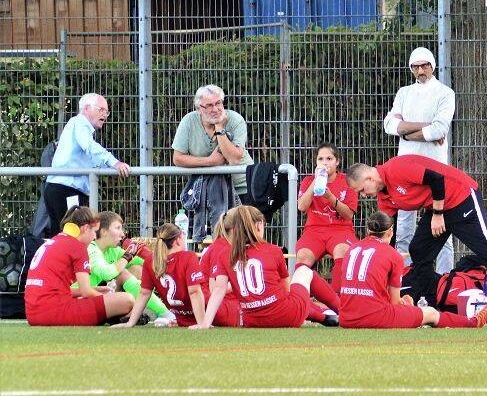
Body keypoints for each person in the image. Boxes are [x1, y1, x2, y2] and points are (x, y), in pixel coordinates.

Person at [346, 155, 487, 278]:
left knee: (484, 249)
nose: (363, 196)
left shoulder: (396, 168)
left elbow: (436, 178)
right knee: (419, 250)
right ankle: (431, 295)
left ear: (369, 179)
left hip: (461, 197)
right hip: (437, 207)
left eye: (361, 190)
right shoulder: (383, 198)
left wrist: (438, 214)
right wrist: (388, 256)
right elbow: (389, 231)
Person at [336, 212, 487, 328]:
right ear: (391, 232)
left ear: (367, 231)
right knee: (431, 313)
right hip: (374, 318)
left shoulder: (351, 249)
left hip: (346, 318)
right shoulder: (393, 255)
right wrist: (405, 304)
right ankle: (472, 322)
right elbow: (394, 303)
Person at [196, 206, 339, 329]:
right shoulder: (273, 250)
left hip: (252, 321)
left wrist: (205, 323)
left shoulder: (224, 254)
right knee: (304, 271)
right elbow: (286, 290)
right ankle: (342, 310)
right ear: (258, 226)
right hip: (285, 315)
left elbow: (218, 290)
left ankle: (324, 316)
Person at [383, 47, 456, 273]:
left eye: (425, 65)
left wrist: (405, 131)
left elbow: (439, 129)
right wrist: (425, 126)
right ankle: (405, 278)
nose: (420, 70)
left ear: (432, 66)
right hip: (406, 170)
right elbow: (389, 125)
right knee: (404, 227)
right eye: (415, 67)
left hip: (435, 169)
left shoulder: (445, 93)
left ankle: (444, 279)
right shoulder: (404, 93)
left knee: (442, 226)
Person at [115, 223, 241, 328]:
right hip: (212, 314)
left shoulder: (151, 261)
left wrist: (130, 322)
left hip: (186, 320)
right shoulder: (188, 257)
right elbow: (195, 292)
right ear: (178, 240)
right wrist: (203, 323)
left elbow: (144, 294)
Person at [24, 206, 134, 325]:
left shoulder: (55, 240)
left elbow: (54, 290)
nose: (95, 237)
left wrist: (94, 290)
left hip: (33, 314)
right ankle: (115, 316)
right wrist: (106, 299)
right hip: (55, 312)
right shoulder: (79, 247)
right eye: (94, 232)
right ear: (86, 228)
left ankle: (110, 316)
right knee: (126, 299)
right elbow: (86, 292)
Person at [43, 93, 131, 237]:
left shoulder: (80, 128)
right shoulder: (79, 123)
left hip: (64, 188)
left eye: (106, 111)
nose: (105, 114)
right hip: (67, 189)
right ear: (86, 109)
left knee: (64, 235)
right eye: (101, 109)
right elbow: (90, 147)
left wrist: (111, 166)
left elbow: (93, 158)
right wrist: (115, 163)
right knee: (74, 236)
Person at [171, 85, 254, 237]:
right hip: (204, 191)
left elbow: (234, 158)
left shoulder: (235, 120)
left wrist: (219, 127)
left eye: (218, 103)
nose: (215, 109)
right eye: (209, 105)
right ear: (198, 108)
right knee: (206, 240)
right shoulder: (189, 121)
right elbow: (178, 158)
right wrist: (210, 162)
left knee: (242, 238)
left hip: (242, 187)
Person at [79, 211, 172, 324]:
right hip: (80, 301)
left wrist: (143, 251)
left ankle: (167, 309)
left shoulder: (113, 251)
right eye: (118, 228)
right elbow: (106, 273)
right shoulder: (91, 249)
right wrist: (128, 255)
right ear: (104, 231)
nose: (122, 234)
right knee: (123, 275)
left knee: (138, 269)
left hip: (97, 298)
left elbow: (147, 263)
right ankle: (164, 313)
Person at [296, 144, 359, 285]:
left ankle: (338, 295)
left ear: (337, 162)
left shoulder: (347, 181)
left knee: (343, 251)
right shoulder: (308, 181)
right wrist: (316, 180)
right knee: (303, 256)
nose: (325, 163)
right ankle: (303, 295)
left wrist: (330, 197)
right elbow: (301, 207)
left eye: (329, 159)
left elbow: (349, 215)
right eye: (321, 159)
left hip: (340, 229)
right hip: (314, 230)